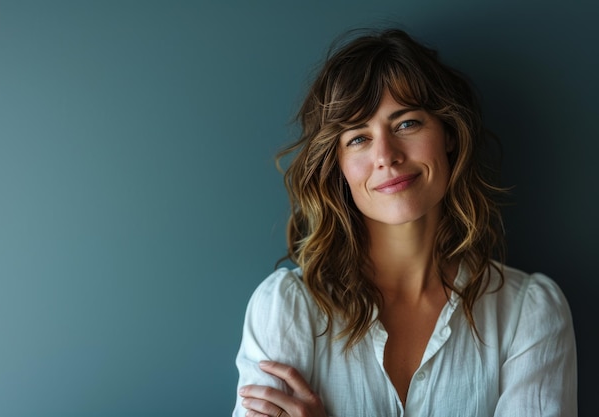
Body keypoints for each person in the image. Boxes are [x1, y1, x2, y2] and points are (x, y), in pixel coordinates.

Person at [232, 28, 577, 417]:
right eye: (358, 138)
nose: (386, 155)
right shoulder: (287, 308)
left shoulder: (529, 313)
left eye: (406, 124)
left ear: (447, 133)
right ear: (338, 166)